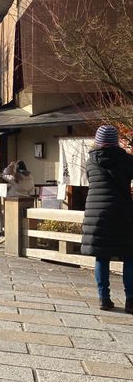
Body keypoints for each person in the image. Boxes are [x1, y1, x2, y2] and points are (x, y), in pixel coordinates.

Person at [81, 125, 133, 312]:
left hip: (97, 214)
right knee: (129, 256)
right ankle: (130, 300)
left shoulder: (90, 162)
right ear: (115, 140)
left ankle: (104, 299)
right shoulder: (127, 160)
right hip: (122, 213)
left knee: (101, 257)